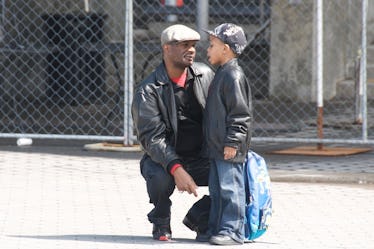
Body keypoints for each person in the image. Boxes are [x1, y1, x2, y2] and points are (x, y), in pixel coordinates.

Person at [131, 24, 215, 241]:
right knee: (159, 179)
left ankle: (200, 217)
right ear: (166, 49)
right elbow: (152, 138)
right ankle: (160, 220)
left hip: (201, 157)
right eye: (184, 45)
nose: (192, 50)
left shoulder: (205, 75)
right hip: (164, 160)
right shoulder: (148, 90)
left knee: (238, 175)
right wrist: (176, 168)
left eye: (194, 46)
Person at [203, 23, 252, 245]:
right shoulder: (222, 73)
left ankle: (233, 231)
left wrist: (232, 141)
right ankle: (216, 227)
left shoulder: (233, 75)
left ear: (226, 48)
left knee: (230, 189)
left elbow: (240, 114)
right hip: (217, 147)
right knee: (218, 190)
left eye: (212, 45)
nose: (207, 50)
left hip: (229, 147)